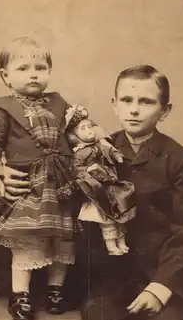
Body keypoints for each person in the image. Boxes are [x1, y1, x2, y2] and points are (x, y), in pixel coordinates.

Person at [79, 64, 183, 320]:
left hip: (160, 275)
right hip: (110, 280)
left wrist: (160, 288)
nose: (133, 110)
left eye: (146, 102)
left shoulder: (179, 159)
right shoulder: (98, 153)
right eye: (126, 100)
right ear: (114, 104)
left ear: (165, 110)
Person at [0, 36, 78, 320]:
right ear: (5, 76)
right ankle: (20, 295)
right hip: (29, 186)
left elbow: (77, 130)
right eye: (23, 68)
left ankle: (56, 290)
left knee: (64, 241)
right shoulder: (3, 106)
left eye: (40, 67)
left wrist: (93, 139)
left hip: (60, 185)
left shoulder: (59, 103)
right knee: (27, 243)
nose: (33, 73)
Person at [57, 104, 136, 255]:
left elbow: (111, 150)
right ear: (75, 136)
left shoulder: (101, 144)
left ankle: (121, 242)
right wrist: (88, 171)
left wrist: (117, 156)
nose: (89, 131)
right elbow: (75, 169)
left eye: (90, 127)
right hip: (96, 188)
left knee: (118, 214)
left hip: (110, 183)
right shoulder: (80, 153)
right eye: (83, 129)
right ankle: (111, 245)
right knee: (106, 219)